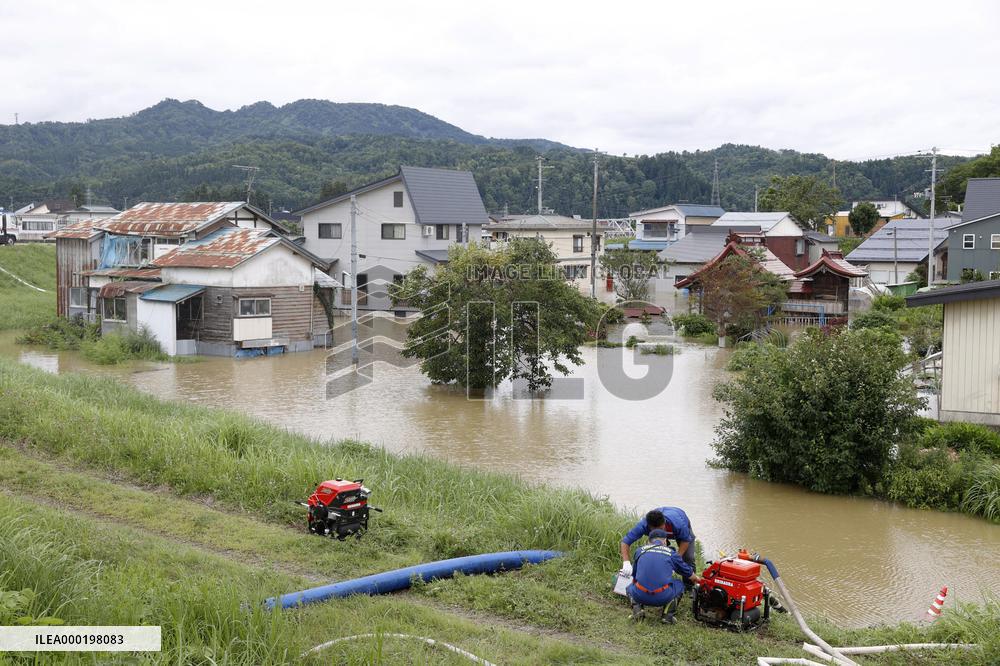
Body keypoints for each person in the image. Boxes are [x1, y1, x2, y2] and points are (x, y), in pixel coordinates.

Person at [626, 529, 700, 624]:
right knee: (679, 584)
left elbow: (634, 574)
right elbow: (688, 573)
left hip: (640, 595)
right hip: (662, 597)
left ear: (648, 541)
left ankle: (638, 611)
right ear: (665, 541)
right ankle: (667, 616)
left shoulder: (639, 551)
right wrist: (697, 579)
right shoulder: (671, 553)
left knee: (629, 587)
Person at [619, 507, 696, 579]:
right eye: (654, 530)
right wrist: (626, 562)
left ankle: (689, 586)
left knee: (688, 557)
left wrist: (676, 560)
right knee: (655, 553)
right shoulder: (643, 525)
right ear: (649, 526)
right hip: (660, 534)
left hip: (679, 523)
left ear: (664, 523)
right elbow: (625, 542)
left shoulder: (679, 524)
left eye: (661, 529)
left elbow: (685, 541)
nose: (659, 532)